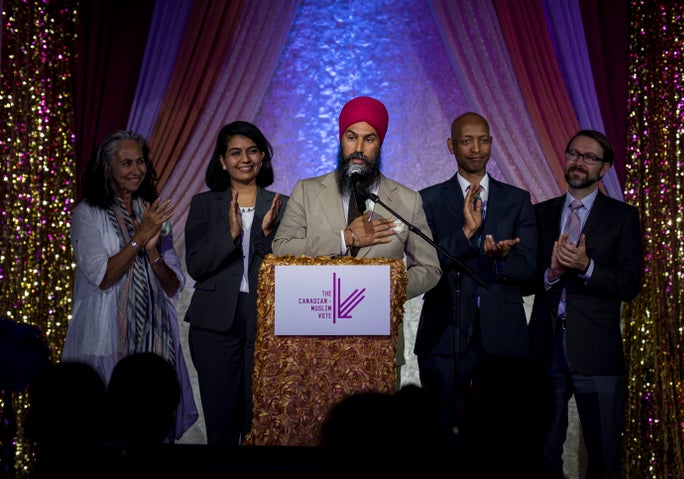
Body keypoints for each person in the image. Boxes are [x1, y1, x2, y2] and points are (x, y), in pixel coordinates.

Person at [272, 96, 442, 376]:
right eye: (352, 137)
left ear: (381, 144)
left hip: (378, 345)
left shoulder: (406, 201)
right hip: (315, 344)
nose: (359, 148)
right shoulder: (307, 191)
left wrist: (389, 288)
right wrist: (345, 238)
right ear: (341, 140)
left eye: (369, 139)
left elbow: (430, 268)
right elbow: (281, 250)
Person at [61, 130, 197, 441]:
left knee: (151, 426)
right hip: (107, 334)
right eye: (126, 163)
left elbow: (174, 285)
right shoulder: (87, 214)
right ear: (107, 168)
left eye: (140, 162)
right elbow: (103, 276)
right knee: (105, 427)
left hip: (155, 338)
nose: (135, 169)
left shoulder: (152, 212)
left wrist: (152, 251)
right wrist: (140, 237)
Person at [528, 130, 642, 479]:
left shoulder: (622, 217)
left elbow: (629, 285)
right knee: (542, 453)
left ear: (604, 167)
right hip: (545, 351)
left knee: (604, 456)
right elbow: (523, 278)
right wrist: (550, 273)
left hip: (597, 352)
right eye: (574, 154)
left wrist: (586, 267)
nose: (579, 162)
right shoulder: (541, 213)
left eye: (589, 157)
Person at [414, 112, 537, 435]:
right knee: (440, 432)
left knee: (504, 434)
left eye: (483, 140)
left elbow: (529, 268)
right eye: (466, 141)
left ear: (492, 144)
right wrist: (467, 234)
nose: (476, 148)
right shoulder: (428, 200)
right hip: (445, 331)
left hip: (504, 337)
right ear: (450, 146)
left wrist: (502, 259)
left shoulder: (517, 199)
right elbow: (427, 263)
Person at [184, 120, 286, 445]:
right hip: (214, 325)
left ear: (262, 157)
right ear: (222, 160)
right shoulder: (204, 204)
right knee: (222, 424)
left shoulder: (282, 203)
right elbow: (197, 266)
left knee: (262, 422)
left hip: (267, 322)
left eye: (253, 151)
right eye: (236, 152)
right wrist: (230, 235)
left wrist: (266, 237)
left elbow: (287, 266)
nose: (245, 159)